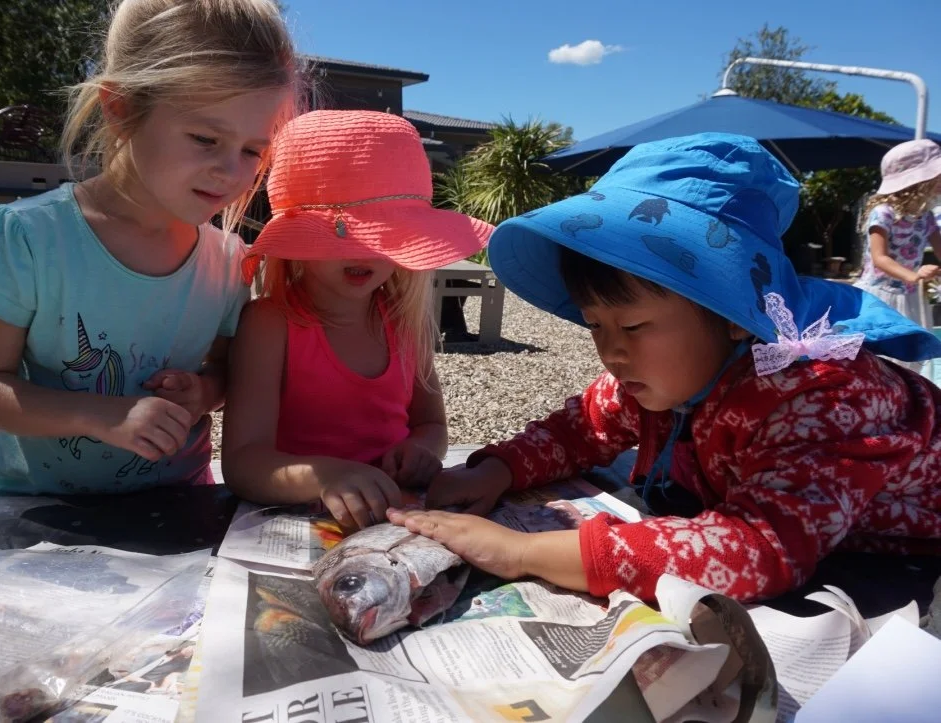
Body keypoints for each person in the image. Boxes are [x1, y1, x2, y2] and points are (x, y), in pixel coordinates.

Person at [387, 132, 941, 603]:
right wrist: (497, 471)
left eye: (631, 327)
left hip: (905, 547)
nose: (611, 351)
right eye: (595, 325)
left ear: (734, 317)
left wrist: (526, 551)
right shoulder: (656, 375)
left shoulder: (822, 397)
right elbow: (581, 426)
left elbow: (761, 547)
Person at [0, 0, 298, 495]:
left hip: (177, 506)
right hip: (40, 516)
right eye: (204, 138)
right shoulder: (26, 237)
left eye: (252, 151)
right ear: (121, 107)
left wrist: (202, 392)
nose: (233, 172)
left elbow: (225, 373)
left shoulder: (227, 259)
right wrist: (101, 414)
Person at [220, 110, 493, 530]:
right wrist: (325, 477)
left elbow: (431, 423)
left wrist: (422, 448)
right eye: (343, 235)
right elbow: (243, 463)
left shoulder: (403, 320)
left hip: (394, 517)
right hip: (297, 513)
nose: (363, 252)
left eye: (386, 235)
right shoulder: (271, 323)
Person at [854, 139, 941, 373]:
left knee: (909, 360)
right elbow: (880, 258)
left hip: (909, 296)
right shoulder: (883, 213)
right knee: (879, 357)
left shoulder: (926, 217)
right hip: (880, 296)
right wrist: (913, 275)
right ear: (918, 180)